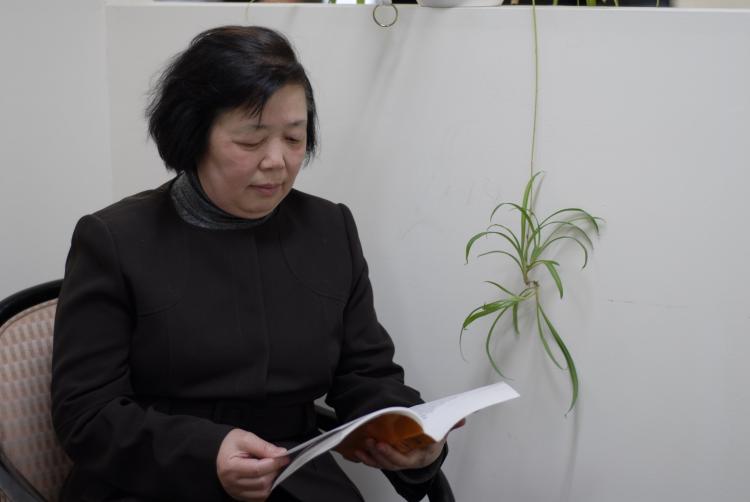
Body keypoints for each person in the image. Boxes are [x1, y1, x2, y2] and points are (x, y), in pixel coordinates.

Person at [51, 25, 452, 502]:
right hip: (153, 478)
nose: (277, 161)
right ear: (194, 135)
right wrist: (209, 453)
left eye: (294, 138)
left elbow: (365, 374)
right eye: (250, 141)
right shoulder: (116, 239)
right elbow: (86, 413)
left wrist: (410, 434)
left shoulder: (329, 229)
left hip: (292, 475)